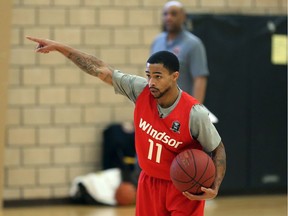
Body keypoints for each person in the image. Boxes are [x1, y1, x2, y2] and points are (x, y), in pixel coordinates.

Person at [26, 36, 226, 216]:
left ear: (175, 76)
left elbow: (218, 148)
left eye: (158, 76)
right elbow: (100, 69)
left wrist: (215, 185)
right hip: (148, 183)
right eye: (148, 75)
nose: (151, 82)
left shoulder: (194, 113)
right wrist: (61, 47)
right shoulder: (140, 90)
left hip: (183, 187)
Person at [151, 1, 209, 103]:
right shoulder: (157, 42)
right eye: (165, 14)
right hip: (158, 108)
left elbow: (199, 78)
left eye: (173, 14)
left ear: (183, 17)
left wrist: (196, 109)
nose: (169, 17)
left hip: (182, 107)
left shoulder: (193, 44)